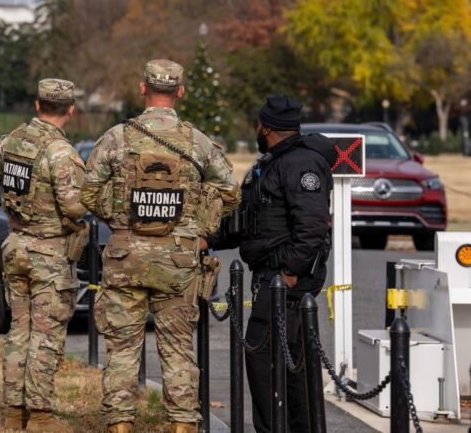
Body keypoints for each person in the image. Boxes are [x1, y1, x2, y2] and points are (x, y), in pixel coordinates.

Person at [82, 59, 241, 433]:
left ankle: (120, 424)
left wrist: (120, 219)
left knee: (122, 349)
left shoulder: (117, 138)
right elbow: (231, 192)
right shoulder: (197, 142)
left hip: (125, 258)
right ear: (180, 92)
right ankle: (182, 426)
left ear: (143, 89)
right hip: (179, 261)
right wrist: (199, 229)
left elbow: (88, 191)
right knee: (177, 349)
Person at [207, 94, 336, 432]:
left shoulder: (301, 164)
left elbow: (312, 228)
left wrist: (289, 273)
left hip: (285, 281)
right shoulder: (272, 162)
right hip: (272, 277)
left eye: (257, 125)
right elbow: (249, 221)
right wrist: (209, 239)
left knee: (263, 359)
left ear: (266, 127)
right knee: (292, 365)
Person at [0, 78, 87, 433]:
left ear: (37, 104)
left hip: (16, 247)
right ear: (70, 110)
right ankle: (40, 417)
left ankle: (13, 413)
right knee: (45, 335)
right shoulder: (60, 152)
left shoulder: (14, 140)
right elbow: (74, 207)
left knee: (19, 332)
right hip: (49, 254)